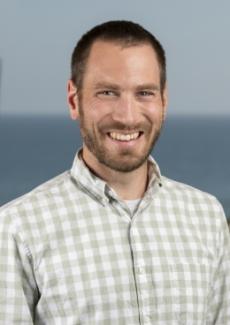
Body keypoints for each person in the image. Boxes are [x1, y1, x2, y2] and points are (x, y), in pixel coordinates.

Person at [0, 20, 229, 324]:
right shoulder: (16, 229)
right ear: (74, 100)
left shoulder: (207, 216)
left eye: (144, 93)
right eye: (107, 92)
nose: (127, 116)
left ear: (164, 100)